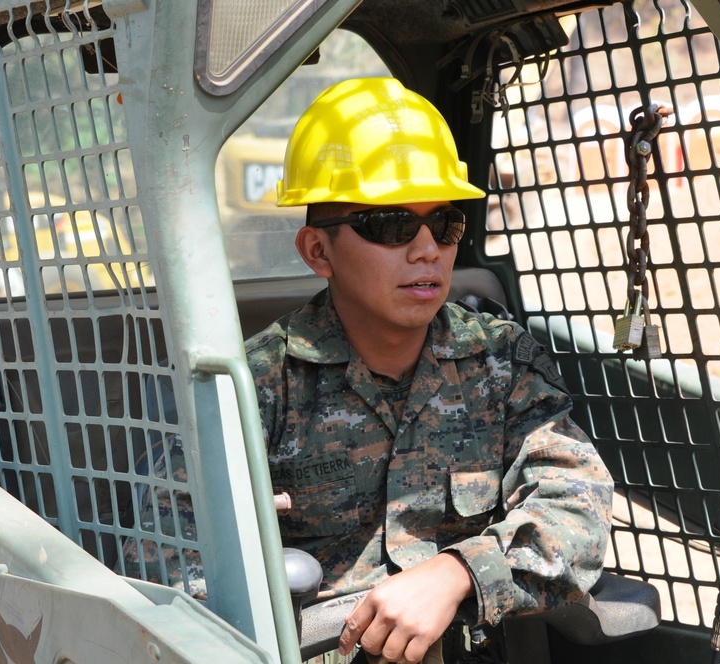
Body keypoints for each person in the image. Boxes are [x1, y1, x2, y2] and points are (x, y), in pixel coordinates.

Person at [248, 77, 614, 664]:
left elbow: (579, 509)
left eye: (445, 225)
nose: (426, 250)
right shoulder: (254, 387)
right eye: (392, 225)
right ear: (318, 251)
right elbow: (173, 567)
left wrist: (459, 572)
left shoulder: (502, 363)